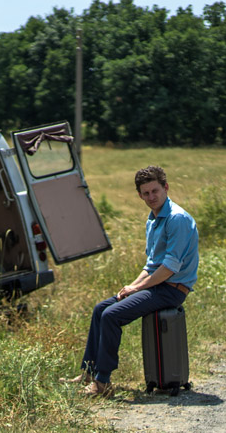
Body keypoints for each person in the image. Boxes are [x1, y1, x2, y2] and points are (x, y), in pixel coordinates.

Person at [66, 165, 199, 397]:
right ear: (139, 195)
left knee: (112, 315)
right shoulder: (153, 220)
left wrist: (137, 288)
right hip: (158, 285)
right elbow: (151, 265)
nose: (151, 197)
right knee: (101, 309)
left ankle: (102, 383)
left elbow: (169, 268)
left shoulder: (176, 219)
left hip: (172, 289)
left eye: (155, 191)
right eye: (145, 193)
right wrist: (130, 287)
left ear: (166, 188)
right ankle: (88, 372)